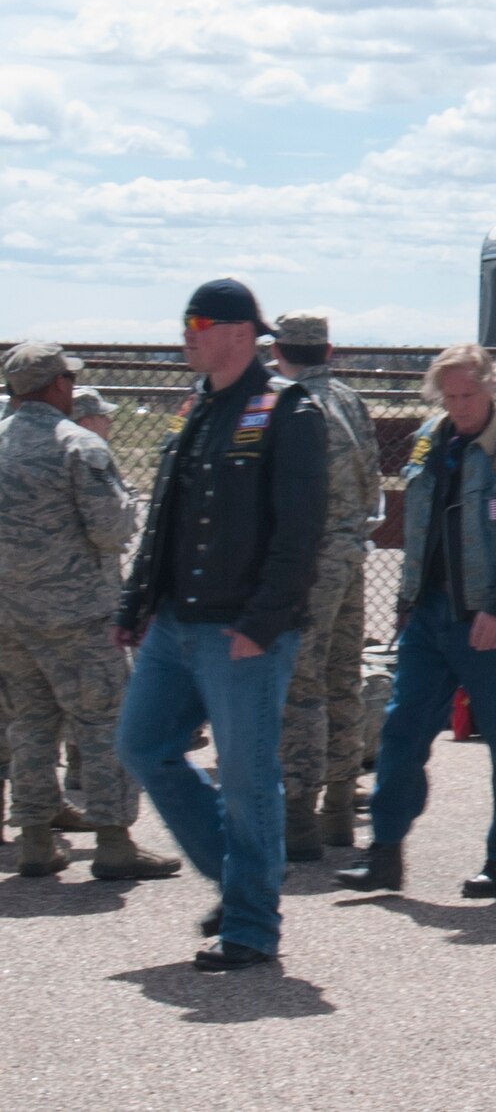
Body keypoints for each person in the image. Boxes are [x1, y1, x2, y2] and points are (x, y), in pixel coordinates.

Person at [115, 280, 328, 971]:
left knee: (245, 777)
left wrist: (261, 624)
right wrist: (136, 604)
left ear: (239, 331)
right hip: (175, 624)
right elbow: (165, 517)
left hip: (240, 630)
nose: (186, 334)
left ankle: (251, 925)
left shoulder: (288, 410)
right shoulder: (197, 410)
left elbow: (300, 531)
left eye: (197, 322)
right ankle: (244, 882)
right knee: (143, 746)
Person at [337, 344, 496, 901]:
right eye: (449, 396)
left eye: (469, 395)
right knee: (401, 733)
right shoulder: (431, 440)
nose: (459, 406)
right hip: (428, 616)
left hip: (491, 622)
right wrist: (408, 603)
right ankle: (384, 854)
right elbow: (418, 526)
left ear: (492, 388)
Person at [0, 344, 179, 881]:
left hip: (8, 614)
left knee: (30, 720)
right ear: (57, 386)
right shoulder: (78, 445)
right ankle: (112, 839)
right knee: (103, 721)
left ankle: (34, 838)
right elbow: (112, 528)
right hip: (77, 612)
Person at [268, 313, 381, 860]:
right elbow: (373, 476)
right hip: (349, 552)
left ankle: (298, 816)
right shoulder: (349, 399)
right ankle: (339, 809)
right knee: (343, 679)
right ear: (329, 350)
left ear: (279, 351)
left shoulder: (283, 402)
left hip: (305, 559)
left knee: (301, 686)